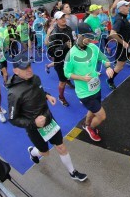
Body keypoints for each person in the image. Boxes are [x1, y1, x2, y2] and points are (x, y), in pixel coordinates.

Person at [7, 53, 87, 181]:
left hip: (48, 119)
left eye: (29, 66)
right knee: (45, 153)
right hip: (34, 128)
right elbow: (12, 119)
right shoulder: (14, 93)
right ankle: (33, 152)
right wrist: (34, 123)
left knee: (61, 146)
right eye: (24, 68)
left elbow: (39, 92)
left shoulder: (36, 78)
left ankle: (73, 172)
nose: (29, 69)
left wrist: (47, 95)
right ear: (16, 71)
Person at [64, 26, 114, 142]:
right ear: (79, 36)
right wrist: (81, 78)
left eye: (91, 37)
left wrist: (108, 67)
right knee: (102, 116)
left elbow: (104, 58)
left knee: (93, 109)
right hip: (84, 93)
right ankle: (90, 127)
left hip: (96, 88)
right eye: (87, 37)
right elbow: (67, 73)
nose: (90, 40)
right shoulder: (71, 54)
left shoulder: (93, 47)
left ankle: (86, 124)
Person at [47, 11, 74, 106]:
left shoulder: (69, 29)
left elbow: (72, 41)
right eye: (60, 18)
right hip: (60, 61)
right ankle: (61, 97)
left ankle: (69, 81)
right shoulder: (54, 33)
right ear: (56, 20)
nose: (63, 19)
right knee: (62, 82)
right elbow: (52, 51)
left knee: (76, 75)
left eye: (64, 17)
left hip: (71, 58)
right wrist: (65, 46)